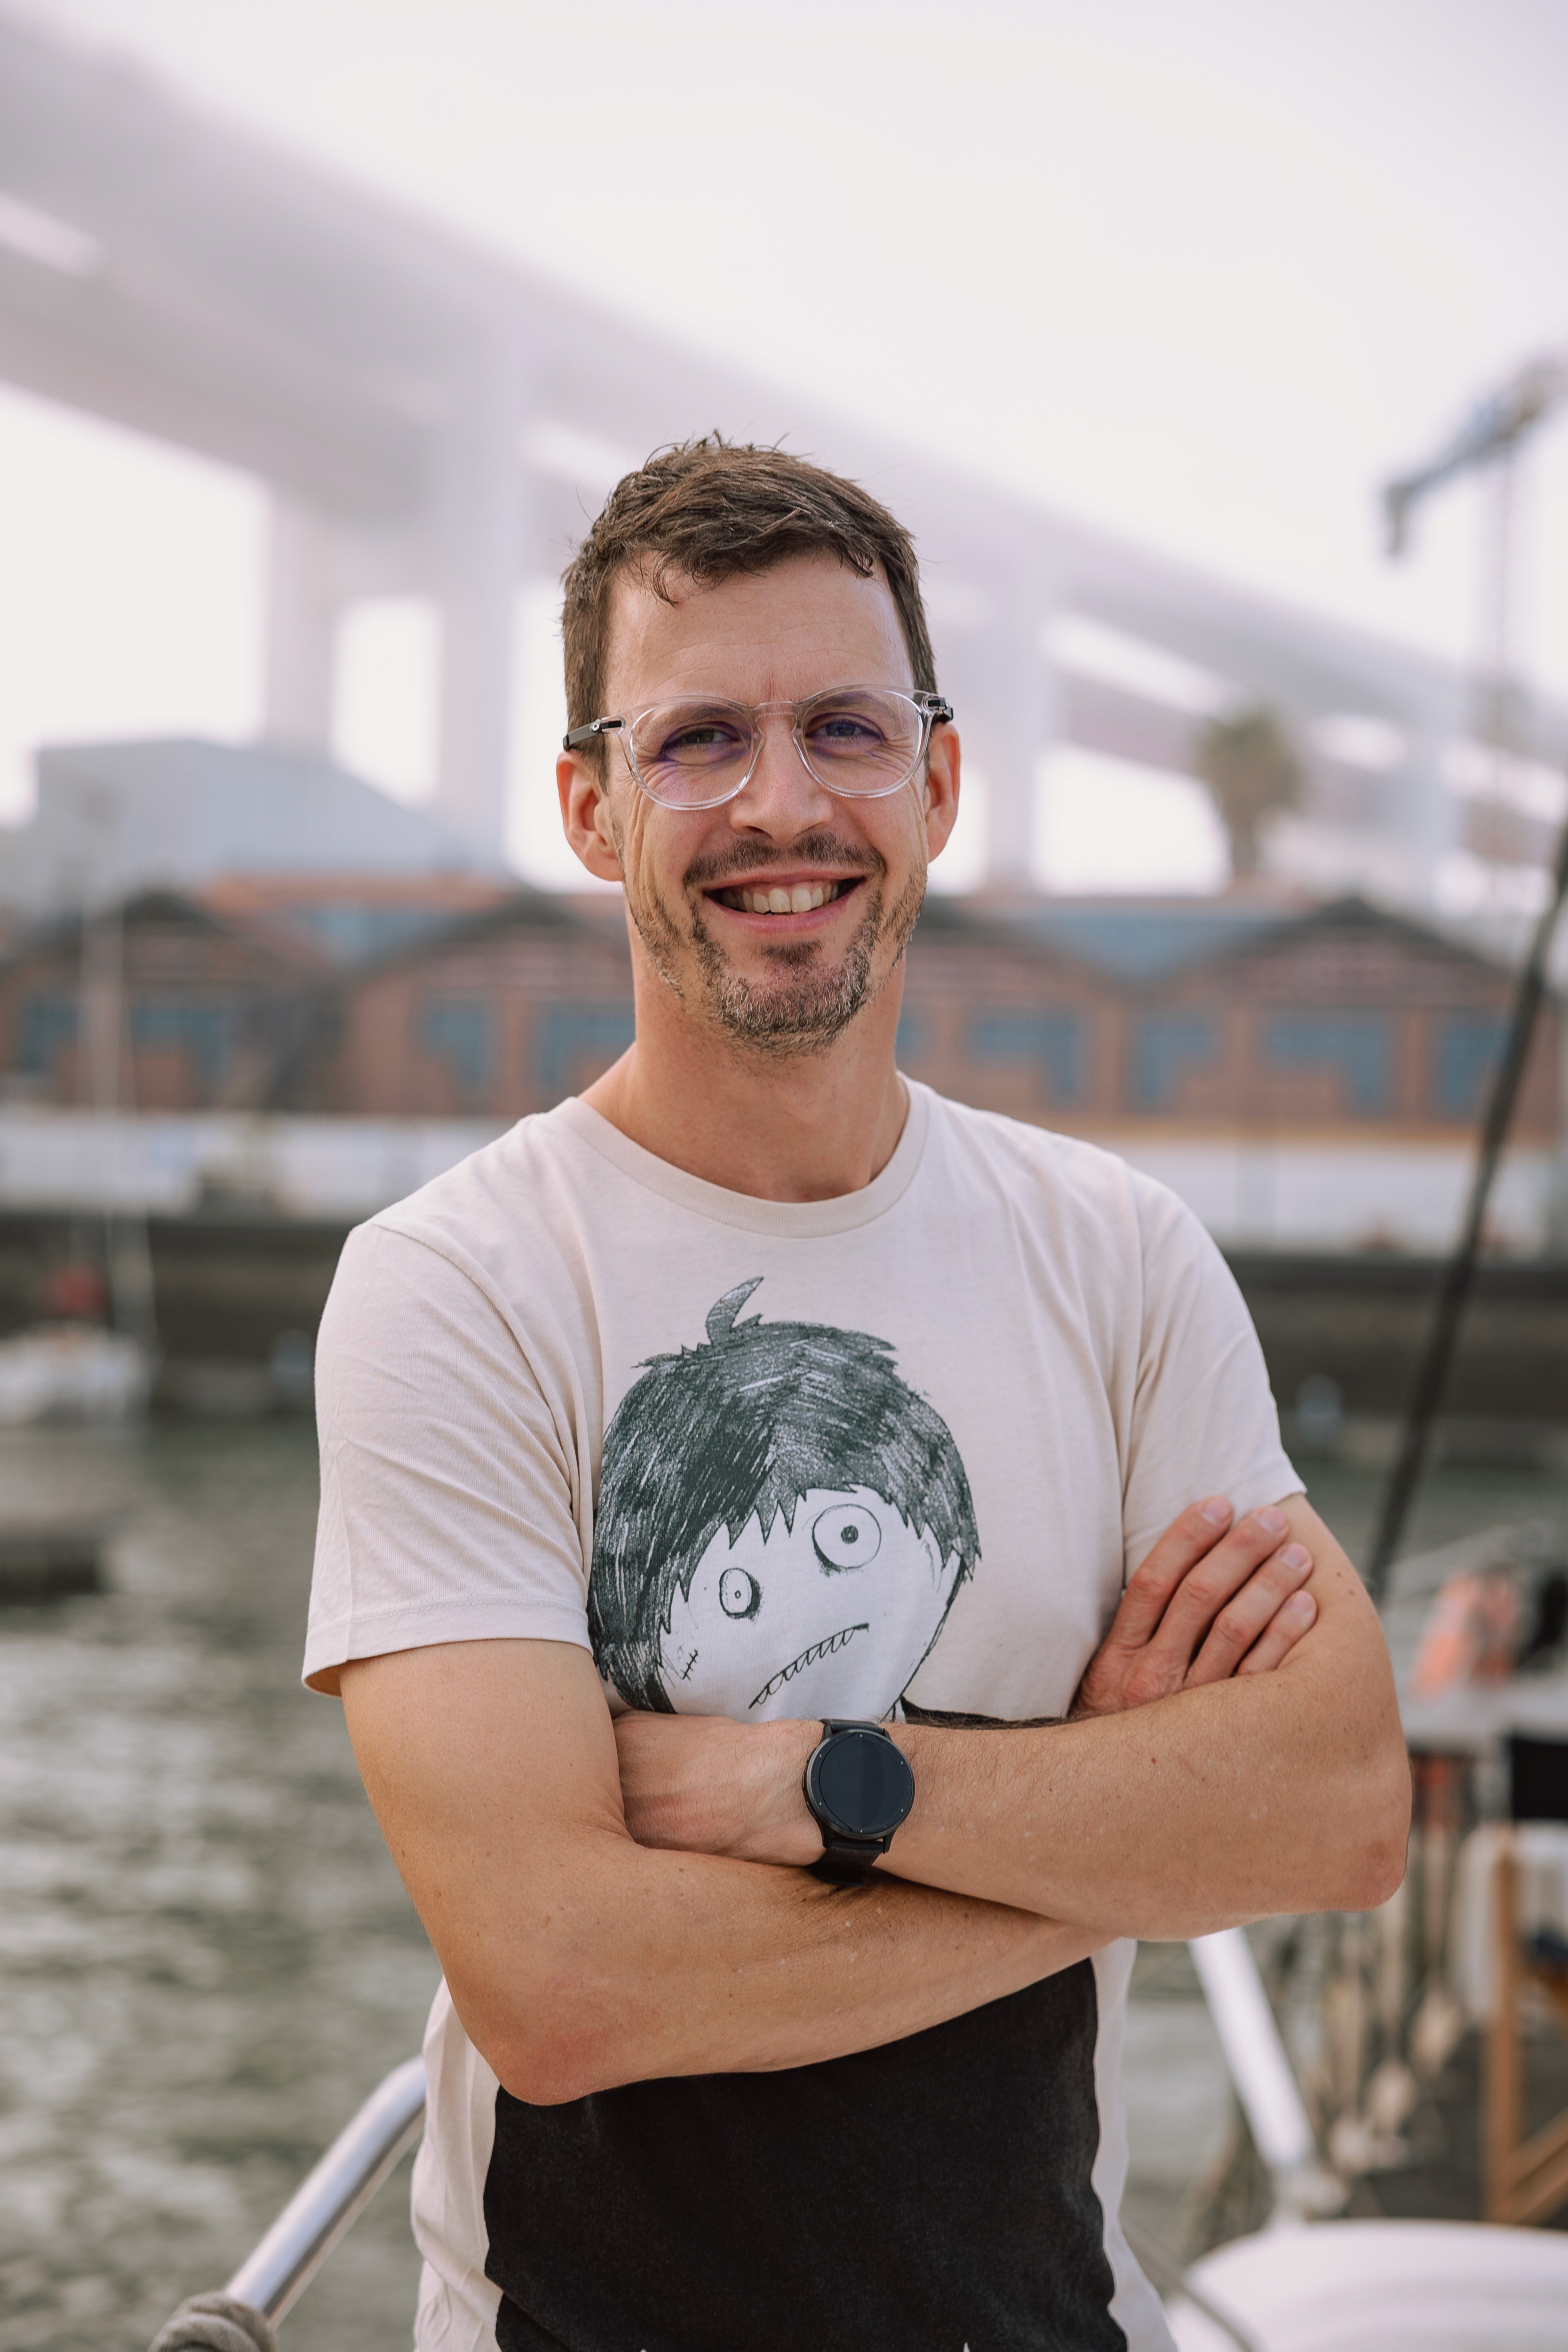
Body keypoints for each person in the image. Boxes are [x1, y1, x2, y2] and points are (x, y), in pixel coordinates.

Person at [305, 439, 1409, 2352]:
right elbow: (562, 1989)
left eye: (843, 727)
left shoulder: (1118, 1254)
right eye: (698, 742)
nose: (781, 804)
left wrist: (811, 1787)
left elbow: (1336, 1808)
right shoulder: (459, 1283)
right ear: (591, 805)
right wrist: (1114, 1829)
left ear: (942, 778)